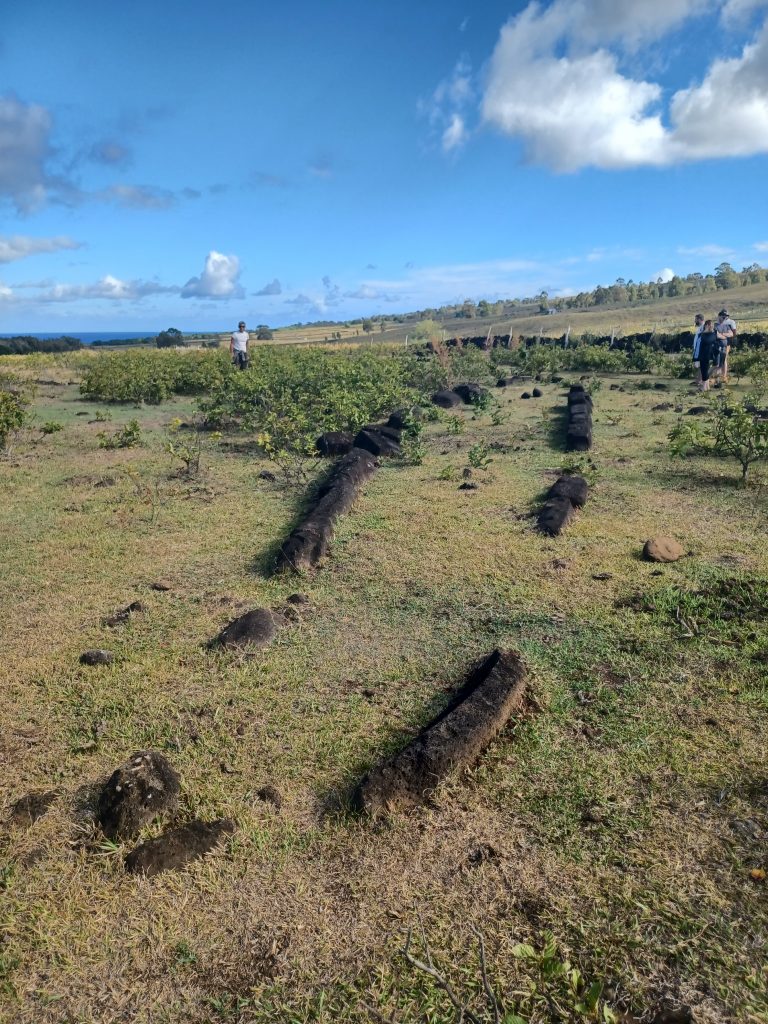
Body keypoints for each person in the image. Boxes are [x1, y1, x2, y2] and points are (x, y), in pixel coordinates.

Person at [694, 319, 718, 391]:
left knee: (705, 371)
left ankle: (704, 387)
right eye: (711, 325)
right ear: (707, 325)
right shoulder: (703, 334)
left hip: (707, 355)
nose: (712, 327)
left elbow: (708, 340)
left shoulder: (710, 334)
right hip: (702, 355)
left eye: (712, 326)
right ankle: (706, 387)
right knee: (704, 370)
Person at [715, 308, 736, 383]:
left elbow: (732, 333)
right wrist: (725, 335)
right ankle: (718, 379)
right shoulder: (715, 325)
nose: (725, 317)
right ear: (719, 316)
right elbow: (716, 335)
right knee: (718, 363)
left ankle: (724, 376)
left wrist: (723, 335)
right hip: (718, 346)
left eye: (726, 316)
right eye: (723, 316)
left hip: (726, 344)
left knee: (724, 360)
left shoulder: (728, 324)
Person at [691, 313, 705, 385]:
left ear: (699, 319)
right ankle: (698, 380)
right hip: (697, 350)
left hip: (701, 350)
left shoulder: (704, 327)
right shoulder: (700, 327)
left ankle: (700, 381)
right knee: (698, 366)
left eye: (696, 319)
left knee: (701, 366)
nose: (695, 321)